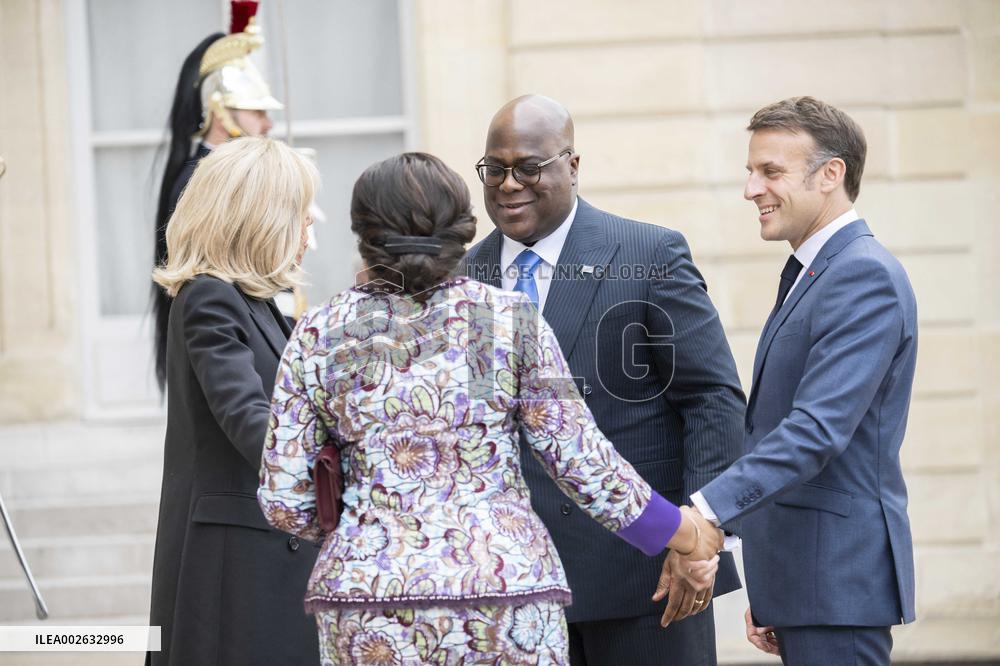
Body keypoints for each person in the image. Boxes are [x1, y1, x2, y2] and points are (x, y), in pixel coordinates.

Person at [257, 152, 724, 665]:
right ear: (461, 228)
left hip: (369, 602)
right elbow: (583, 462)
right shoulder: (506, 319)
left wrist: (368, 530)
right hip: (504, 591)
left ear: (363, 233)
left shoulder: (320, 332)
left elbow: (283, 500)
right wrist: (685, 533)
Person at [463, 95, 746, 665]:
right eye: (495, 169)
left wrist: (701, 536)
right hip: (513, 593)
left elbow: (711, 399)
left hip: (646, 583)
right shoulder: (464, 275)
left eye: (529, 167)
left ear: (572, 166)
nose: (509, 184)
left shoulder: (649, 254)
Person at [692, 96, 917, 665]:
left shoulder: (862, 275)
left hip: (836, 586)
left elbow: (816, 431)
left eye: (771, 171)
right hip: (807, 584)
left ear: (830, 174)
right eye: (751, 171)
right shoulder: (816, 271)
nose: (751, 189)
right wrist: (775, 585)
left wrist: (707, 511)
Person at [147, 137, 320, 666]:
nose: (309, 231)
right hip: (233, 571)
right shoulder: (210, 297)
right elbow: (249, 419)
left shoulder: (258, 302)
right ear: (261, 218)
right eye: (301, 215)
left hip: (264, 560)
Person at [152, 0, 282, 391]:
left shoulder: (235, 175)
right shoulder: (199, 182)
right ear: (220, 110)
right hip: (230, 338)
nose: (267, 123)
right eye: (256, 111)